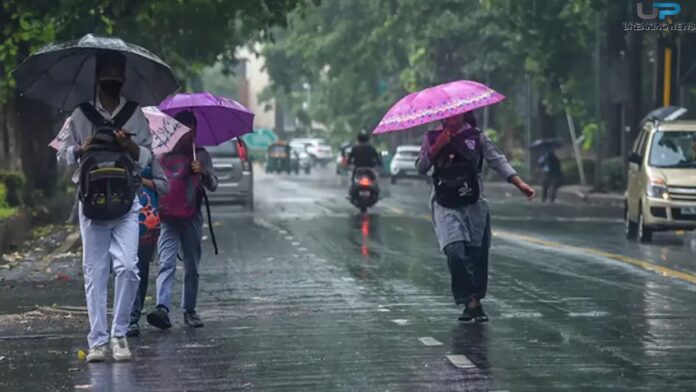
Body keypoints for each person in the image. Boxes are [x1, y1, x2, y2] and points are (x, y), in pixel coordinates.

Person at [57, 50, 154, 362]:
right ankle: (98, 341)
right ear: (98, 77)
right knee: (95, 274)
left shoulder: (136, 115)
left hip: (127, 203)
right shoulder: (80, 115)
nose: (112, 81)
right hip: (91, 205)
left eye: (117, 75)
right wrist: (78, 148)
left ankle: (119, 334)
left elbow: (150, 157)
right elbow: (61, 157)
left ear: (123, 78)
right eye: (107, 75)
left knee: (128, 268)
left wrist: (131, 146)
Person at [416, 111, 535, 322]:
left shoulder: (476, 137)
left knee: (477, 253)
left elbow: (497, 160)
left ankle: (475, 302)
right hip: (445, 203)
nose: (453, 119)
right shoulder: (432, 137)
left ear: (464, 114)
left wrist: (519, 184)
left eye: (457, 115)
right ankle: (467, 299)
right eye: (448, 115)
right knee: (454, 250)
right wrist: (437, 147)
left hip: (473, 203)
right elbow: (421, 167)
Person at [147, 111, 218, 330]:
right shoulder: (161, 153)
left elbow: (214, 185)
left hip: (192, 216)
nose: (187, 133)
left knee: (191, 266)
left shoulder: (202, 155)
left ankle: (190, 310)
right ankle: (162, 308)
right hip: (167, 217)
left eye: (191, 128)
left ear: (196, 130)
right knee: (166, 263)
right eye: (183, 127)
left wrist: (203, 172)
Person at [127, 159, 169, 337]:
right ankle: (125, 317)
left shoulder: (149, 157)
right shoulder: (109, 152)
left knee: (140, 269)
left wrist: (143, 181)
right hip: (116, 216)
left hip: (146, 222)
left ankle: (132, 318)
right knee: (123, 268)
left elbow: (164, 186)